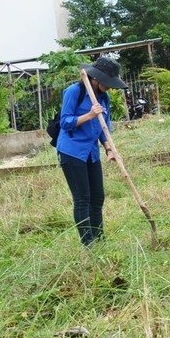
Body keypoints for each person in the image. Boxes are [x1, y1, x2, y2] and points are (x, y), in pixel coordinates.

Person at [57, 57, 127, 247]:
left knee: (98, 197)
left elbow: (104, 127)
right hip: (72, 152)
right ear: (96, 78)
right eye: (108, 83)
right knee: (83, 199)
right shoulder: (74, 92)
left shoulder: (103, 97)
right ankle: (88, 244)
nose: (111, 87)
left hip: (91, 152)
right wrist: (89, 115)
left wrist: (109, 149)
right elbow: (65, 122)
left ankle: (99, 239)